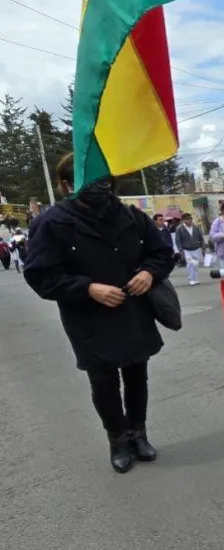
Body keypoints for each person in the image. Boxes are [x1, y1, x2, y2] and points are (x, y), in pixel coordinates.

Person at [23, 152, 174, 473]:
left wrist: (149, 272)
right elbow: (40, 276)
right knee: (103, 381)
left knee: (137, 375)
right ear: (66, 186)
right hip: (89, 318)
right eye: (86, 180)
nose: (98, 186)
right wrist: (87, 288)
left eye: (104, 180)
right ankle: (118, 440)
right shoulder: (51, 224)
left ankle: (138, 433)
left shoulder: (130, 216)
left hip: (133, 311)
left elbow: (161, 253)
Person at [175, 213, 205, 285]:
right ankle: (191, 279)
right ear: (183, 220)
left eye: (191, 218)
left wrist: (203, 247)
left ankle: (196, 279)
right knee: (190, 263)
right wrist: (180, 250)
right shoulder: (180, 229)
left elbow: (201, 238)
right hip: (186, 250)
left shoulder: (196, 227)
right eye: (187, 219)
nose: (190, 220)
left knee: (195, 264)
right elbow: (177, 240)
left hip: (196, 248)